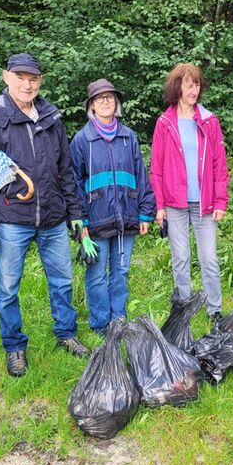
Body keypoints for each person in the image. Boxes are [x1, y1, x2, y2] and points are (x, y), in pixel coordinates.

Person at [0, 53, 90, 377]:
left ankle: (66, 335)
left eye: (33, 78)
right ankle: (14, 347)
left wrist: (75, 213)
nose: (27, 84)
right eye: (20, 77)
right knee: (8, 287)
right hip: (11, 219)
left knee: (63, 281)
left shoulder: (50, 117)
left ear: (40, 81)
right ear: (6, 77)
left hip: (53, 217)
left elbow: (65, 169)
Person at [70, 79, 156, 335]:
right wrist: (80, 221)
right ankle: (99, 324)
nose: (105, 101)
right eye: (99, 98)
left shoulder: (128, 137)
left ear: (116, 102)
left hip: (127, 216)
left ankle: (118, 319)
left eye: (109, 97)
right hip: (95, 220)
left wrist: (144, 211)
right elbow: (73, 182)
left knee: (122, 271)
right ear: (92, 106)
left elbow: (141, 175)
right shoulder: (82, 140)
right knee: (96, 275)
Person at [150, 63, 229, 322]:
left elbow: (219, 164)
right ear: (177, 87)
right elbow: (157, 168)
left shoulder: (209, 121)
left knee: (209, 259)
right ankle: (183, 308)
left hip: (205, 203)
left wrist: (221, 200)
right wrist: (159, 205)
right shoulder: (164, 123)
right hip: (174, 203)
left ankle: (214, 309)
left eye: (196, 85)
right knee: (181, 258)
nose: (193, 90)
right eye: (188, 84)